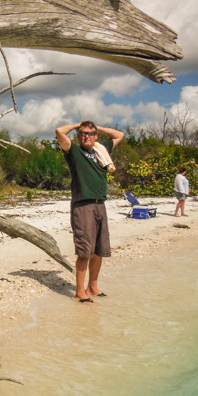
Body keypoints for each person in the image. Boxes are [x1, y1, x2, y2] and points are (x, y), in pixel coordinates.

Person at [55, 121, 125, 304]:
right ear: (79, 136)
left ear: (96, 136)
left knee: (99, 251)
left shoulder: (102, 151)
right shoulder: (74, 152)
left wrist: (97, 128)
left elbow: (119, 135)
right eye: (83, 133)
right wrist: (79, 124)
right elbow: (59, 131)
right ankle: (79, 292)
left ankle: (92, 287)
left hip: (100, 204)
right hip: (83, 206)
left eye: (91, 133)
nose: (87, 136)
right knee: (85, 251)